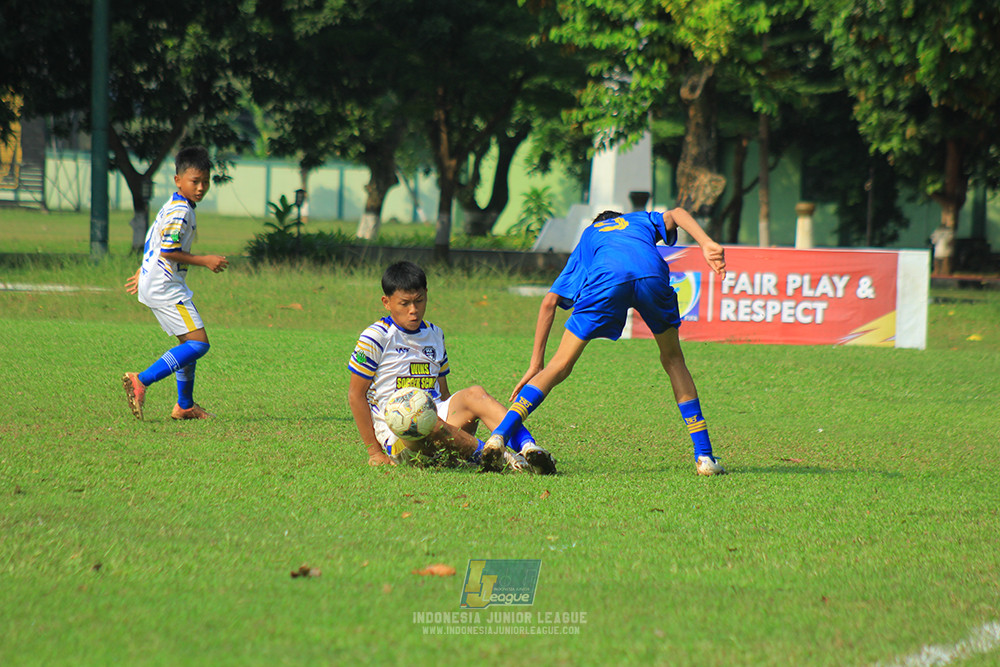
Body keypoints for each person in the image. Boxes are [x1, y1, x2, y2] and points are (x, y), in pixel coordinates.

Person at [482, 208, 728, 476]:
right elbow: (678, 212)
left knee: (559, 365)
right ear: (620, 219)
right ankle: (704, 456)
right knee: (674, 360)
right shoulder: (639, 219)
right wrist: (706, 243)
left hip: (606, 279)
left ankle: (499, 436)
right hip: (652, 274)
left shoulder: (590, 235)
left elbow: (549, 302)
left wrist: (535, 363)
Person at [348, 261, 556, 474]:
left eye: (419, 301)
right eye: (404, 303)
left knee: (475, 394)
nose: (413, 310)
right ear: (386, 302)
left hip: (437, 423)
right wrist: (374, 453)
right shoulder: (376, 337)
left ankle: (529, 448)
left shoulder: (435, 334)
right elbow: (356, 395)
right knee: (425, 420)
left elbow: (444, 394)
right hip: (400, 438)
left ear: (426, 295)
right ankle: (503, 459)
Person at [122, 145, 229, 420]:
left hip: (158, 282)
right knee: (198, 343)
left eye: (206, 181)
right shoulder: (181, 211)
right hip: (166, 288)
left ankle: (184, 405)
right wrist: (205, 260)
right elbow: (168, 250)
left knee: (187, 344)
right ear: (178, 180)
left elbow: (153, 240)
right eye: (195, 181)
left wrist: (144, 269)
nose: (201, 187)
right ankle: (142, 380)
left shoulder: (174, 206)